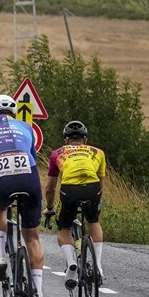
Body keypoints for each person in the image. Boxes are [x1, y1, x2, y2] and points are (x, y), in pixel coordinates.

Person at [0, 95, 47, 297]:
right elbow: (32, 157)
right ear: (14, 113)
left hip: (2, 179)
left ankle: (0, 257)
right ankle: (38, 294)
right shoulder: (27, 128)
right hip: (29, 178)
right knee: (32, 238)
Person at [44, 120, 108, 287]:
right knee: (93, 221)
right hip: (92, 188)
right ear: (85, 140)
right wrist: (97, 199)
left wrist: (50, 208)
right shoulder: (98, 153)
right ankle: (98, 267)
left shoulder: (57, 153)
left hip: (70, 190)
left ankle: (72, 262)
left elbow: (50, 188)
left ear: (66, 140)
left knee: (64, 229)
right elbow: (100, 181)